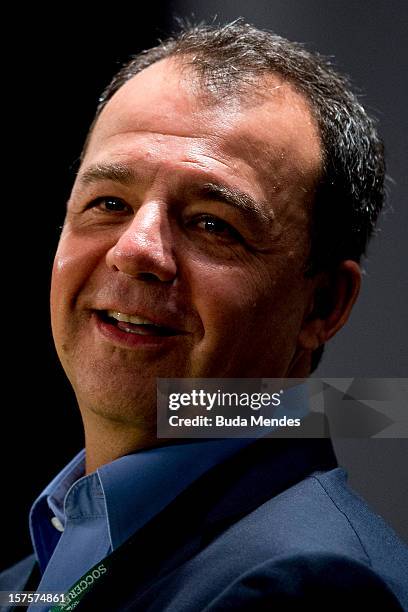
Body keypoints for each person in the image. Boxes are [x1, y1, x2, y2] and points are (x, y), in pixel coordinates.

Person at [1, 20, 407, 612]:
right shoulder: (33, 577)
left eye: (214, 224)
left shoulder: (308, 587)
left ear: (322, 305)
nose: (136, 249)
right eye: (109, 203)